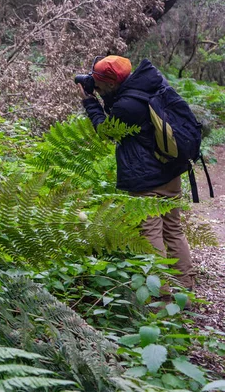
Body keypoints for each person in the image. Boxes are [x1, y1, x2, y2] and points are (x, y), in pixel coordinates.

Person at [78, 55, 195, 291]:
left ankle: (160, 297)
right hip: (170, 169)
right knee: (173, 230)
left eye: (98, 83)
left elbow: (106, 131)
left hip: (145, 177)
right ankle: (186, 289)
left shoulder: (126, 106)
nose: (96, 86)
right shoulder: (150, 83)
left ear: (112, 84)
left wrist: (90, 103)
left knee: (149, 236)